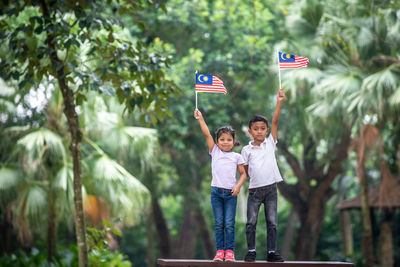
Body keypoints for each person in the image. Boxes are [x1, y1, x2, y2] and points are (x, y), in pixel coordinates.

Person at [194, 109, 247, 262]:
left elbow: (243, 174)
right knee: (219, 224)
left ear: (233, 141)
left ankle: (229, 252)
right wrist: (201, 119)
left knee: (229, 223)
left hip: (231, 193)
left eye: (228, 139)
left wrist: (238, 186)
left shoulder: (237, 156)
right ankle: (219, 252)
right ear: (217, 142)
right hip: (216, 193)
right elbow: (207, 134)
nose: (225, 142)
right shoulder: (215, 152)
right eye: (222, 139)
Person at [241, 88, 286, 262]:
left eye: (262, 128)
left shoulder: (270, 144)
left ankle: (271, 253)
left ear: (267, 130)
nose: (259, 131)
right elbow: (244, 171)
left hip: (271, 189)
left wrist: (279, 102)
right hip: (254, 191)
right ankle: (251, 251)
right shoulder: (246, 150)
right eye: (256, 129)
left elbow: (275, 121)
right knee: (251, 222)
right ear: (250, 131)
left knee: (272, 222)